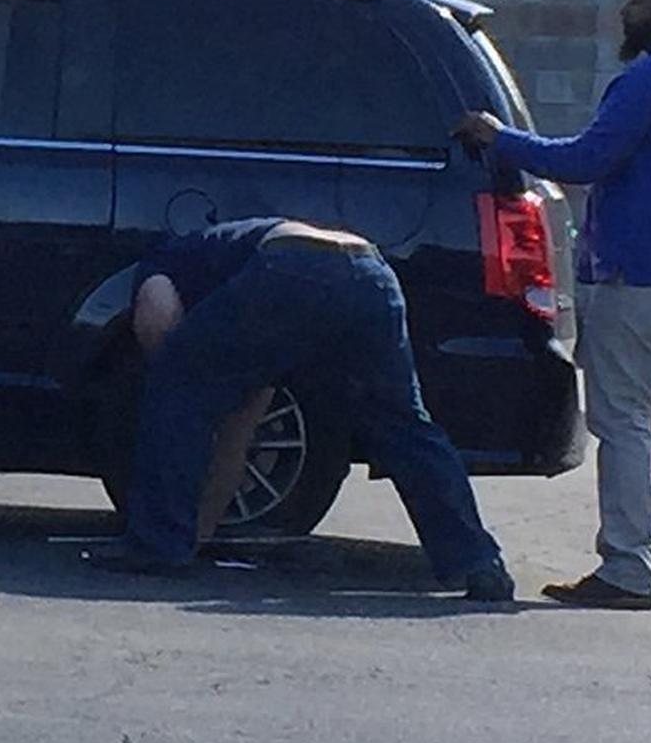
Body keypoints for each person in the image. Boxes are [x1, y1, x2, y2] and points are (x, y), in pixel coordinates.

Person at [455, 0, 651, 611]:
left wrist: (498, 137)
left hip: (638, 275)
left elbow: (585, 160)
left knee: (624, 423)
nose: (626, 8)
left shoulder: (649, 79)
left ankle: (626, 566)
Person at [106, 217, 516, 602]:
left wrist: (174, 378)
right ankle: (477, 562)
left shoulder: (163, 263)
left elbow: (159, 321)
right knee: (405, 427)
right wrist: (200, 531)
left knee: (176, 388)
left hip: (292, 265)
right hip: (372, 275)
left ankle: (157, 548)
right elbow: (239, 432)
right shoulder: (232, 273)